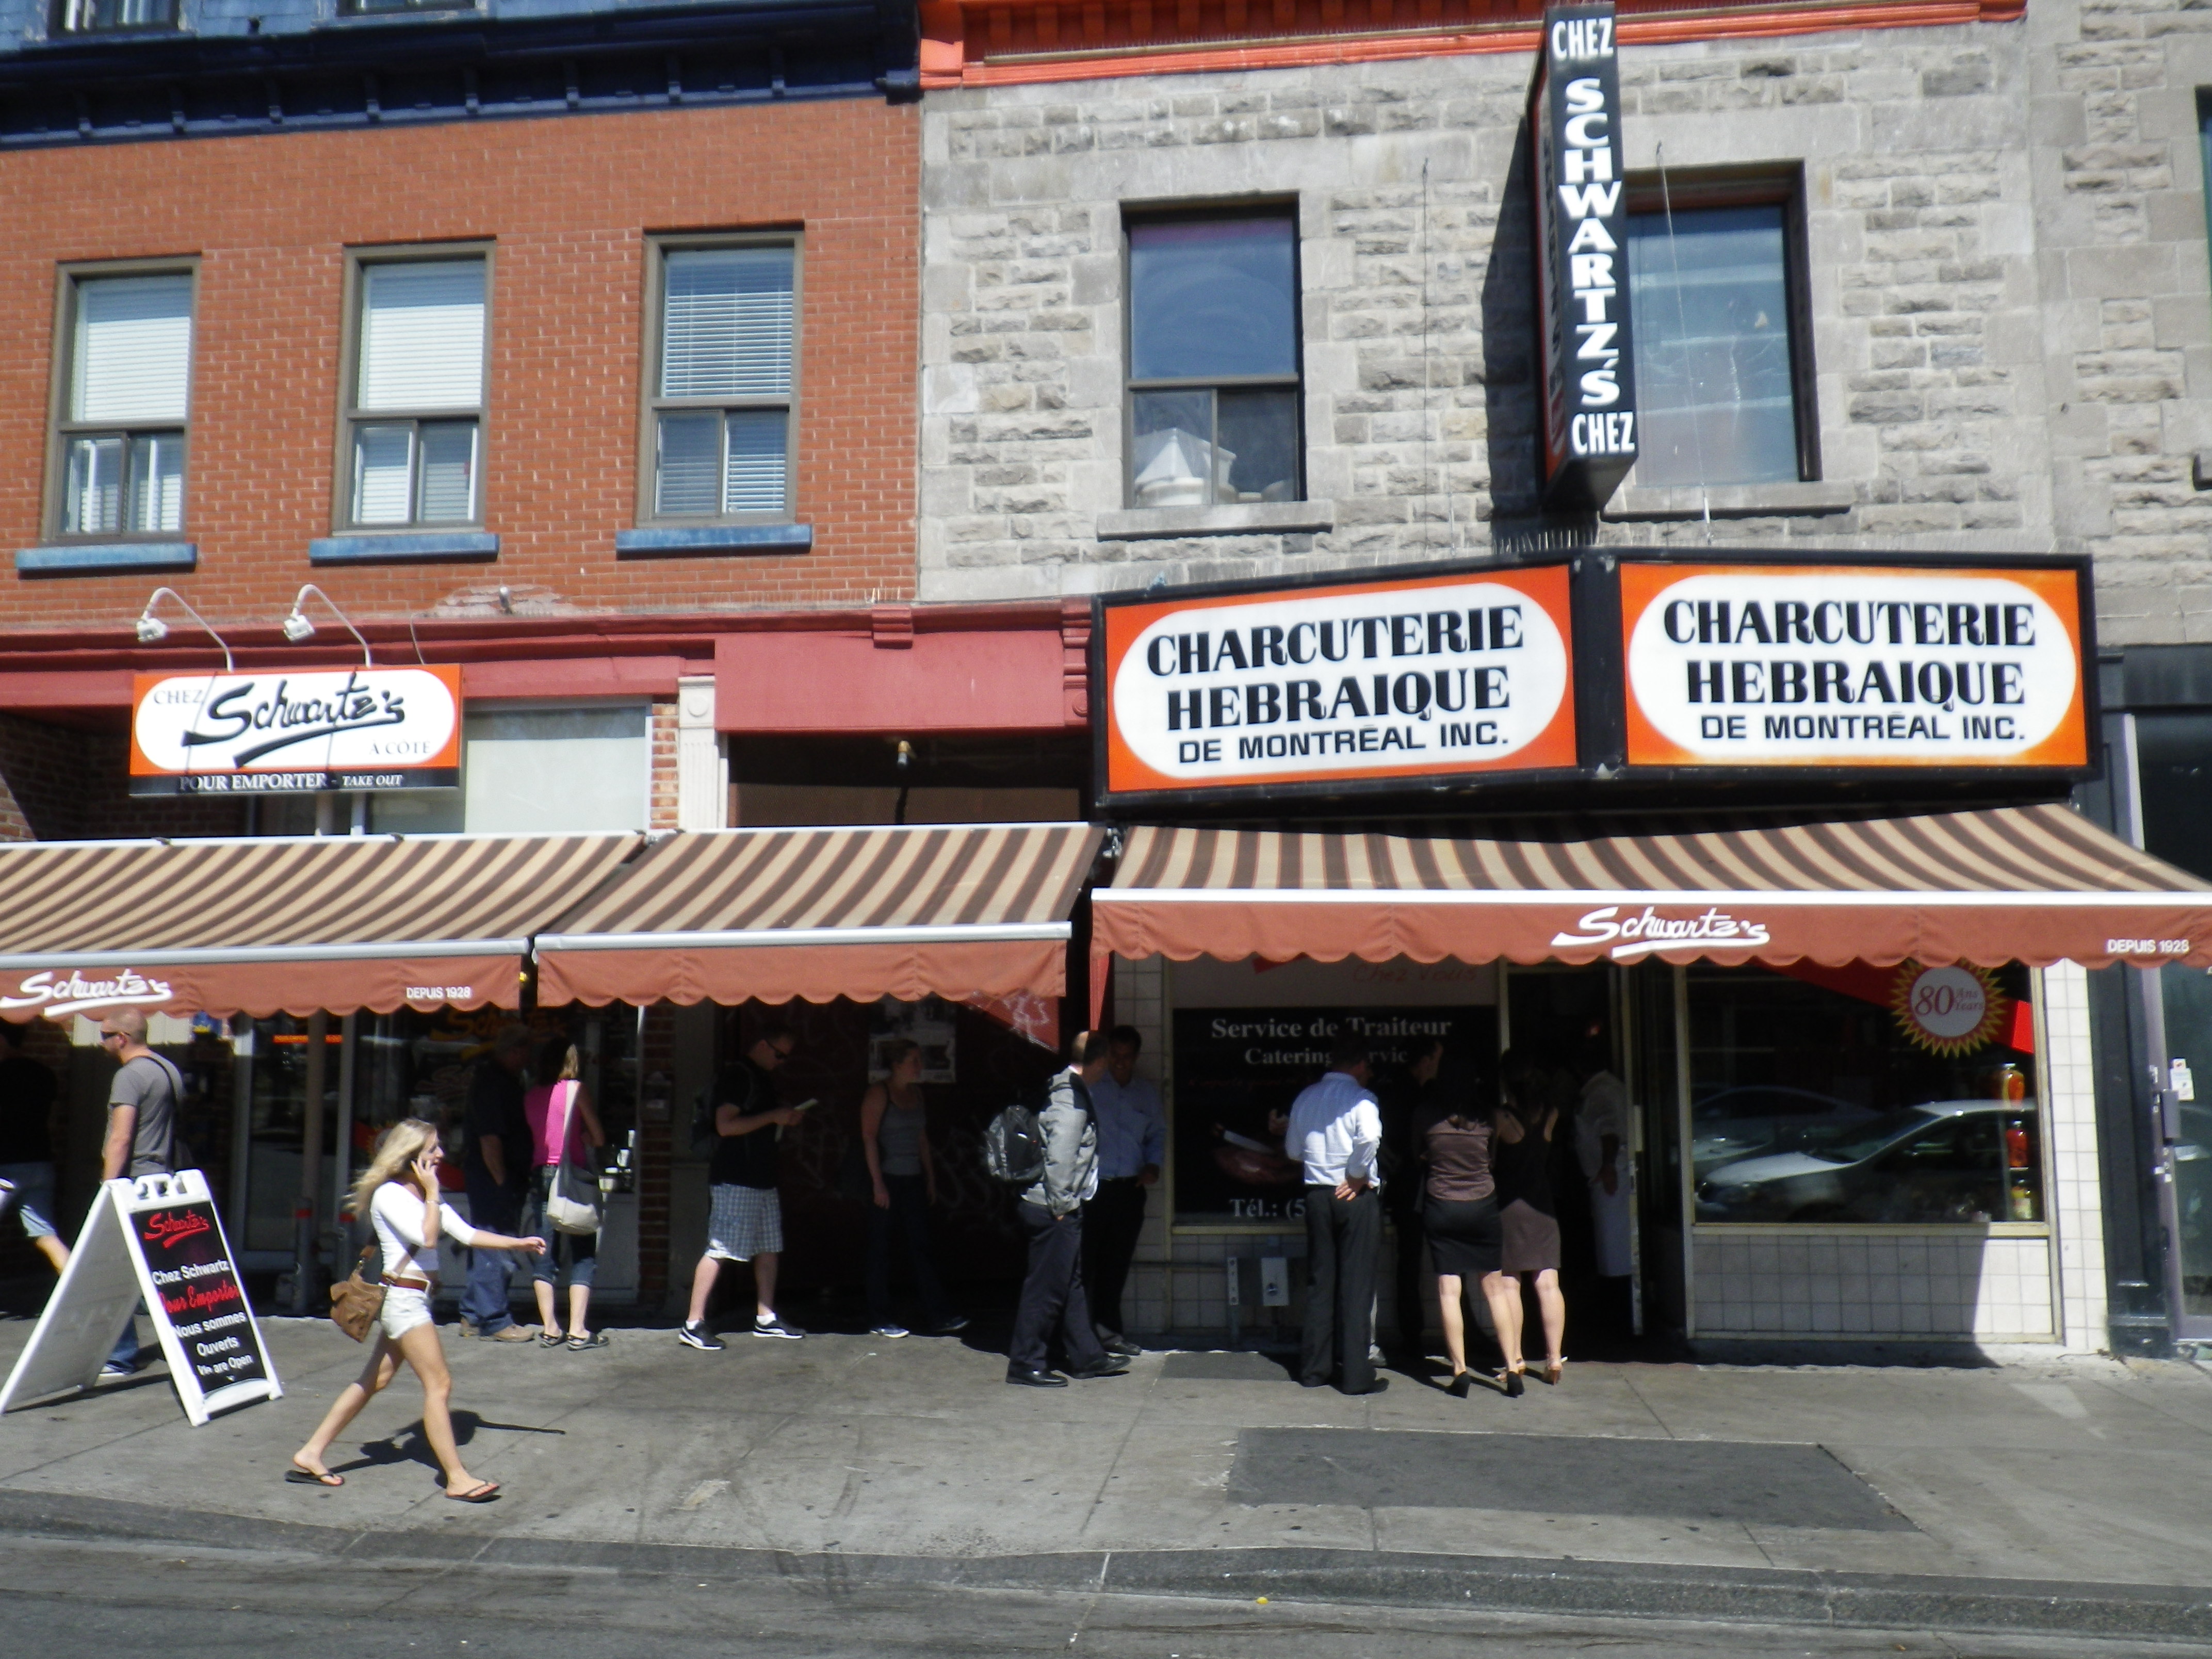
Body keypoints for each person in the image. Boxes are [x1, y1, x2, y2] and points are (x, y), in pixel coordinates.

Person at [290, 1118, 546, 1501]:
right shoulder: (391, 1196)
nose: (441, 1154)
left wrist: (518, 1244)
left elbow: (466, 1233)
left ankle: (311, 1452)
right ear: (410, 1156)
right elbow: (426, 1237)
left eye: (439, 1147)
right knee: (439, 1385)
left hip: (413, 1299)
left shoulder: (424, 1196)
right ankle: (457, 1479)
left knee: (373, 1381)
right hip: (404, 1302)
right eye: (432, 1149)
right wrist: (431, 1193)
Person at [1007, 1030, 1127, 1388]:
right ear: (1101, 1061)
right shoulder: (1070, 1103)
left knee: (1069, 1283)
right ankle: (1026, 1362)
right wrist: (1062, 1208)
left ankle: (1088, 1357)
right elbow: (1061, 1159)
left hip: (1053, 1205)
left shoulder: (1059, 1086)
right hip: (1053, 1208)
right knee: (1046, 1290)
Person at [681, 1021, 805, 1350]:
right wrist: (774, 1117)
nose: (781, 1062)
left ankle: (766, 1316)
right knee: (721, 1247)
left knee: (768, 1245)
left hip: (760, 1176)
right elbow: (726, 1126)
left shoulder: (761, 1077)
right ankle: (693, 1322)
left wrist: (781, 1118)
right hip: (735, 1177)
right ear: (763, 1045)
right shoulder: (738, 1076)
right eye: (779, 1055)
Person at [1288, 1035, 1387, 1396]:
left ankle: (1315, 1369)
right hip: (1354, 1196)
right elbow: (1371, 1138)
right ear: (1359, 1065)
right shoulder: (1362, 1100)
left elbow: (1293, 1150)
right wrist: (1357, 1175)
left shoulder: (1306, 1097)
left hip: (1316, 1194)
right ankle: (1357, 1375)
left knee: (1320, 1282)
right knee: (1356, 1286)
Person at [97, 1009, 183, 1375]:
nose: (100, 1042)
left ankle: (120, 1355)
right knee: (162, 1269)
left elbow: (121, 1137)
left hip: (134, 1183)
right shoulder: (169, 1070)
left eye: (104, 1035)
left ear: (122, 1038)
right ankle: (192, 1339)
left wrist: (108, 1186)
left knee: (111, 1271)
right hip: (165, 1179)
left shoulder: (129, 1076)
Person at [1413, 1059, 1505, 1397]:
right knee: (1494, 1289)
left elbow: (1416, 1154)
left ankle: (1460, 1369)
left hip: (1442, 1205)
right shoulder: (1488, 1117)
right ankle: (1512, 1370)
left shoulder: (1426, 1114)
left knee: (1450, 1291)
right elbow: (1493, 1160)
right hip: (1483, 1205)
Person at [860, 1038, 964, 1339]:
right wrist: (878, 1183)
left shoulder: (916, 1093)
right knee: (880, 1249)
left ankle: (938, 1313)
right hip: (888, 1178)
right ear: (897, 1065)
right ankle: (880, 1316)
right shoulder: (879, 1093)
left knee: (922, 1247)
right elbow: (868, 1137)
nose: (920, 1067)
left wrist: (930, 1177)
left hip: (913, 1178)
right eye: (914, 1061)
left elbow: (922, 1138)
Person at [1083, 1024, 1164, 1358]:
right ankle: (1079, 1336)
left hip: (1129, 1190)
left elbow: (1158, 1133)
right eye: (1114, 1056)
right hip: (1093, 1190)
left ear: (1135, 1057)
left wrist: (1153, 1165)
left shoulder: (1145, 1094)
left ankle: (1109, 1333)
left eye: (1126, 1057)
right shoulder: (1090, 1089)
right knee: (1085, 1265)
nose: (1119, 1063)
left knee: (1116, 1265)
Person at [1489, 1050, 1567, 1395]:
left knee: (1510, 1284)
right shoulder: (1551, 1114)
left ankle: (1516, 1358)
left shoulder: (1502, 1118)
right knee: (1548, 1282)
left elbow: (1490, 1161)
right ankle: (1553, 1359)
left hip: (1509, 1207)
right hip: (1543, 1205)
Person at [523, 1039, 607, 1351]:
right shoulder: (575, 1090)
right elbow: (598, 1137)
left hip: (540, 1173)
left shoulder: (531, 1096)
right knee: (583, 1249)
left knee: (546, 1250)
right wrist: (584, 1136)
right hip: (571, 1177)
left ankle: (549, 1328)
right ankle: (578, 1330)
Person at [459, 1026, 536, 1343]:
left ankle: (473, 1312)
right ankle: (495, 1320)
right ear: (514, 1051)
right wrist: (502, 1182)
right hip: (494, 1180)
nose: (528, 1059)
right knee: (497, 1246)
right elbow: (491, 1141)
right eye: (525, 1052)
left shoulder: (497, 1081)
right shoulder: (493, 1085)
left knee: (487, 1245)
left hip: (494, 1177)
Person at [1379, 1035, 1445, 1361]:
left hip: (1409, 1188)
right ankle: (1416, 1334)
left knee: (1410, 1261)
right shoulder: (1413, 1095)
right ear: (1426, 1061)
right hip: (1416, 1186)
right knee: (1428, 1260)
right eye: (1436, 1059)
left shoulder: (1397, 1090)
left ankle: (1413, 1334)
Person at [0, 1022, 66, 1276]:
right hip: (40, 1163)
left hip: (6, 1168)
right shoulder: (44, 1074)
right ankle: (75, 1290)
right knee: (46, 1235)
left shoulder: (2, 1074)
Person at [1573, 1033, 1633, 1284]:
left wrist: (1608, 1166)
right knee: (1611, 1245)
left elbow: (1610, 1132)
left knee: (1614, 1251)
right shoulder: (1604, 1088)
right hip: (1608, 1175)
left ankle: (1616, 1299)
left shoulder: (1601, 1092)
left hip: (1611, 1177)